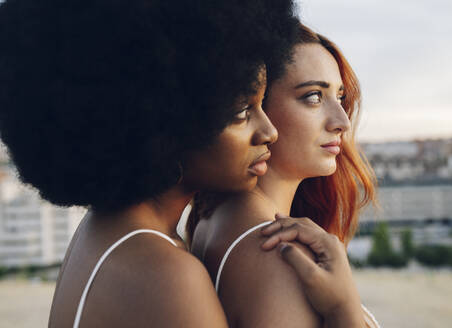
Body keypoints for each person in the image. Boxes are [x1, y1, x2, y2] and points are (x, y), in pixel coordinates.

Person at [0, 0, 319, 327]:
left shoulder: (105, 233)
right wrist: (343, 308)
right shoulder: (165, 274)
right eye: (241, 113)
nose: (269, 131)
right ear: (165, 125)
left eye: (261, 105)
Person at [188, 24, 380, 327]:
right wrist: (345, 310)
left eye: (339, 97)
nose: (341, 121)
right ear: (256, 105)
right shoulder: (282, 254)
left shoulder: (215, 219)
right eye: (314, 97)